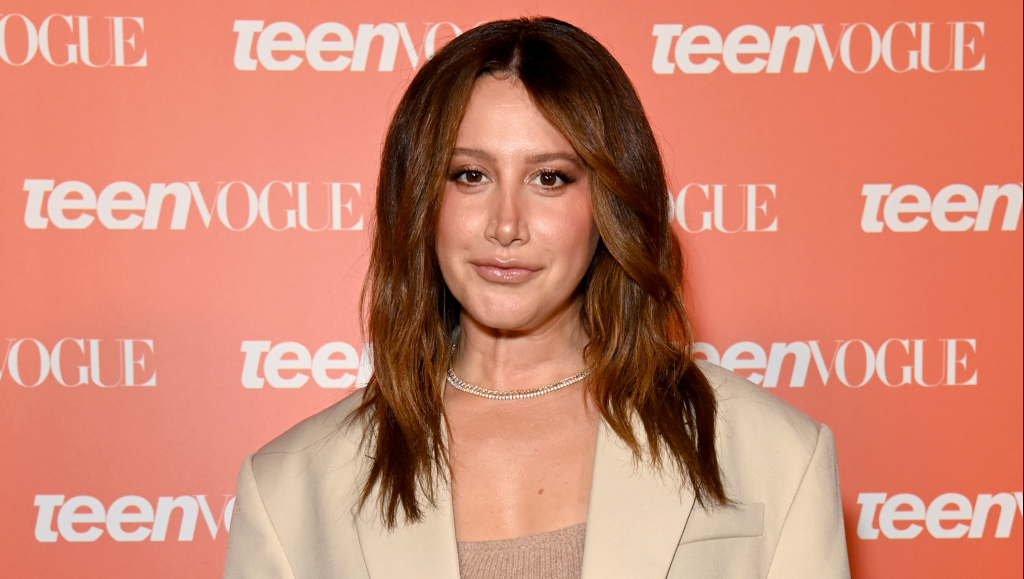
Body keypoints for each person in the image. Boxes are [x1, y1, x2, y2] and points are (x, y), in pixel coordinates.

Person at [223, 17, 850, 579]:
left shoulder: (774, 455)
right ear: (419, 199)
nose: (506, 224)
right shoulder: (291, 491)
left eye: (549, 178)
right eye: (470, 175)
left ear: (608, 203)